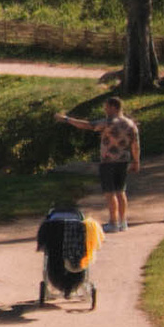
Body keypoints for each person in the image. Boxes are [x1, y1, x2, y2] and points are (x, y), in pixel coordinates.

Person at [60, 95, 143, 231]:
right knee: (121, 191)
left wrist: (67, 119)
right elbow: (135, 145)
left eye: (107, 107)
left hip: (108, 161)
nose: (105, 110)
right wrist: (136, 161)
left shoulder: (108, 122)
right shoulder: (131, 124)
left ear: (113, 107)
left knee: (110, 193)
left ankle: (113, 222)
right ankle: (123, 222)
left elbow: (87, 125)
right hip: (123, 160)